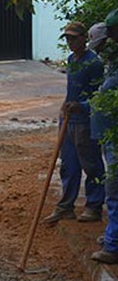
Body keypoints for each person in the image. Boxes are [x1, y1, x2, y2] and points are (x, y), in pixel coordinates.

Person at [42, 22, 106, 224]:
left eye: (74, 38)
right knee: (68, 164)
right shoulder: (71, 60)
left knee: (91, 164)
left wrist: (82, 106)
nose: (70, 42)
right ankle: (65, 206)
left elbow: (99, 95)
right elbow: (72, 90)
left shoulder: (93, 63)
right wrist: (64, 107)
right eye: (67, 39)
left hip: (85, 120)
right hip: (68, 119)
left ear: (84, 38)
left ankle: (94, 206)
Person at [91, 9, 118, 264]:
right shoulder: (113, 62)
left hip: (115, 136)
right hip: (109, 135)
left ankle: (113, 245)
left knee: (114, 189)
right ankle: (113, 236)